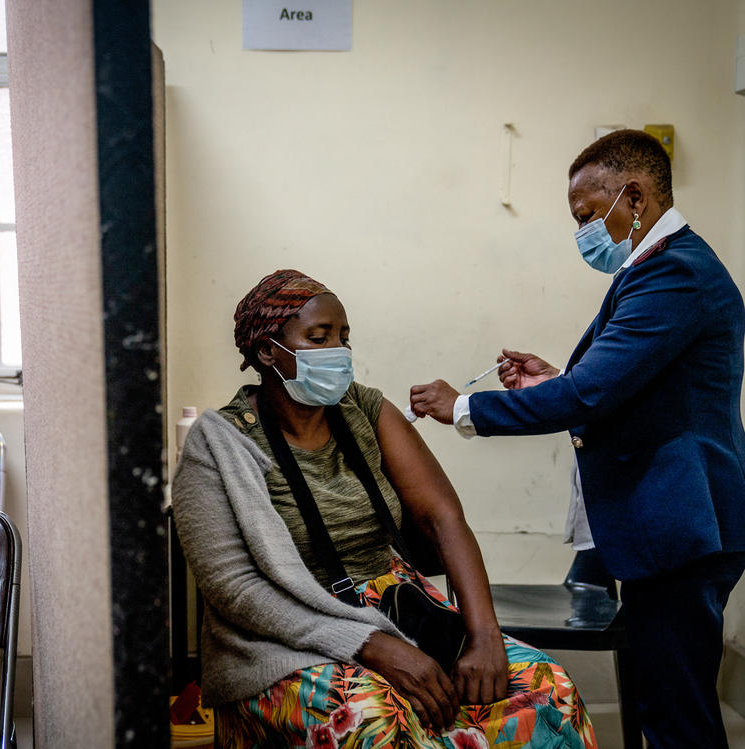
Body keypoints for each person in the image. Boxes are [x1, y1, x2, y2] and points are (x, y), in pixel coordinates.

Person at [410, 129, 745, 748]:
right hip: (668, 523)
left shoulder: (675, 275)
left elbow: (592, 395)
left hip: (683, 524)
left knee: (678, 715)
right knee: (662, 700)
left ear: (635, 195)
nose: (584, 233)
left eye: (589, 215)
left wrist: (464, 406)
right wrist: (555, 379)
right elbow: (625, 388)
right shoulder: (654, 269)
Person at [172, 269, 597, 748]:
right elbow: (237, 592)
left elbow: (443, 518)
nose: (338, 350)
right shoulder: (220, 444)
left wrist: (484, 636)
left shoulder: (366, 411)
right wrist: (370, 646)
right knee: (375, 719)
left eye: (343, 337)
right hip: (288, 634)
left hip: (395, 608)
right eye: (318, 337)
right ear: (268, 351)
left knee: (546, 688)